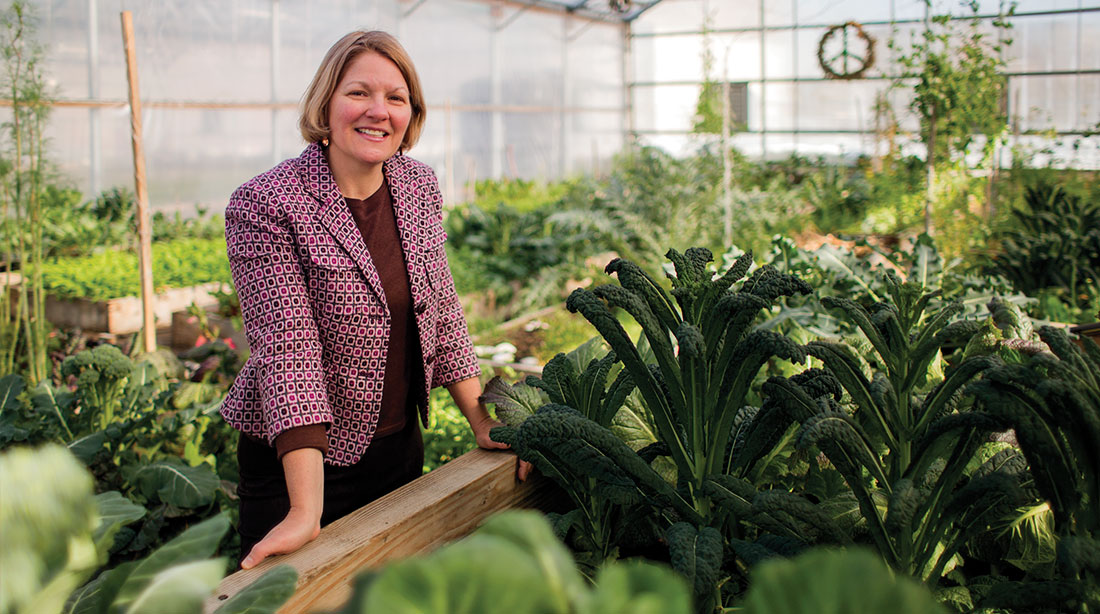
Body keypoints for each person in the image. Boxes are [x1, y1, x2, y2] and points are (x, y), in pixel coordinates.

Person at [221, 30, 529, 570]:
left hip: (396, 449)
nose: (378, 111)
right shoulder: (266, 203)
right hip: (297, 468)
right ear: (326, 103)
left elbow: (443, 310)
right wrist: (303, 510)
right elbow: (288, 351)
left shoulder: (418, 186)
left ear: (412, 113)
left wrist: (481, 418)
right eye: (358, 92)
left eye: (396, 97)